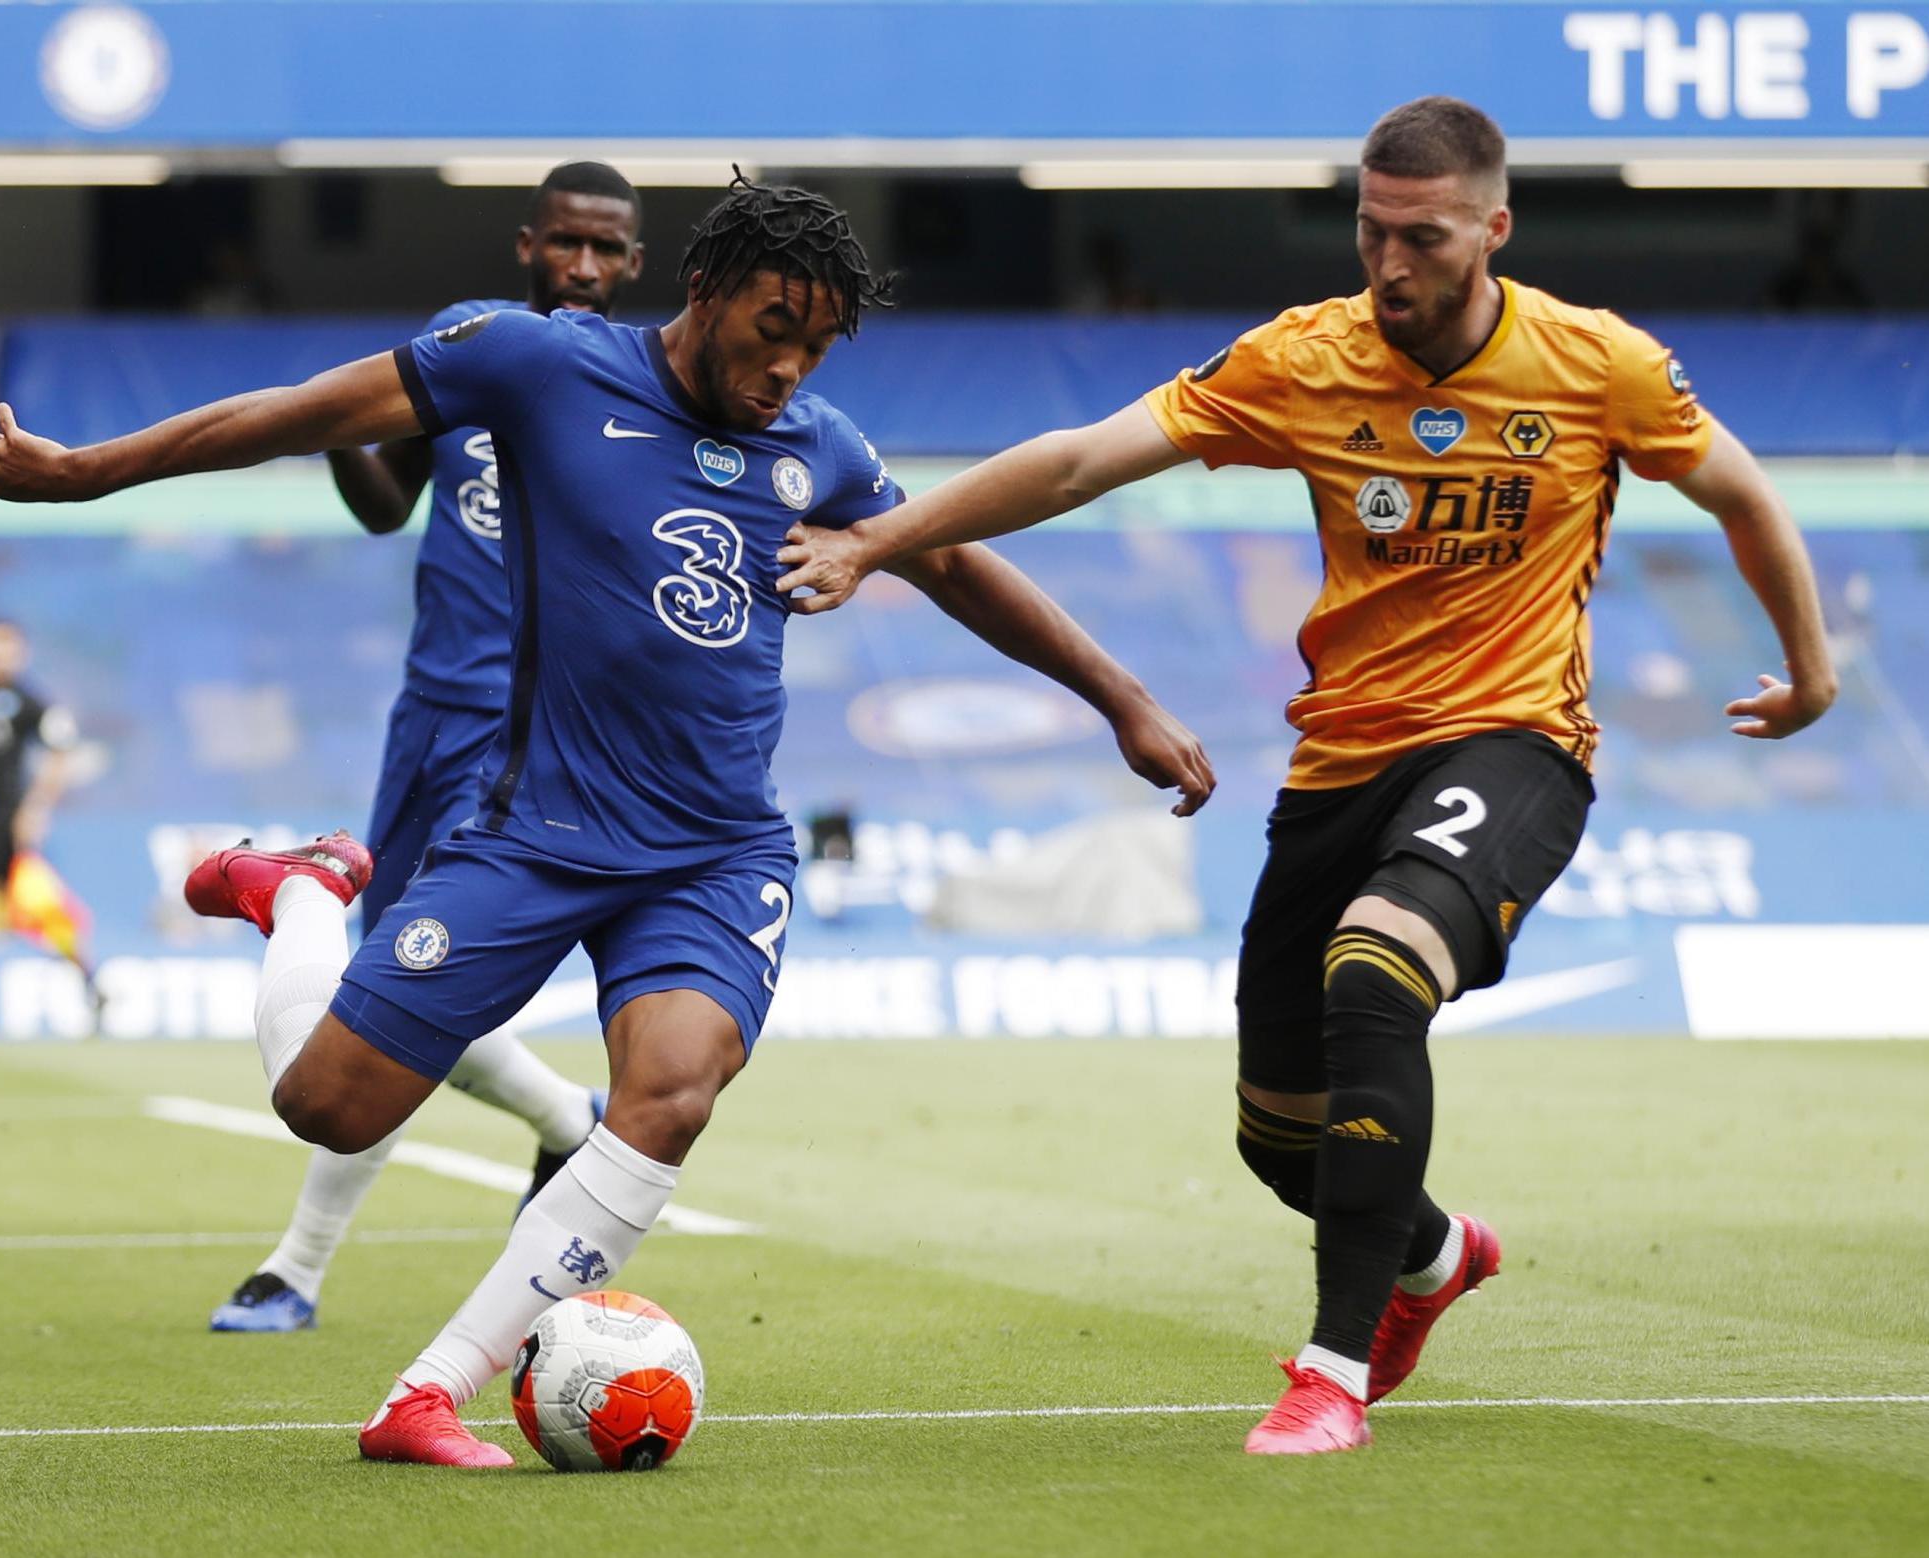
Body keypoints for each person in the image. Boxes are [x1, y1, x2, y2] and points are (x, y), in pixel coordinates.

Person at [0, 172, 1216, 1467]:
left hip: (715, 853)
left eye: (816, 342)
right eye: (770, 326)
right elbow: (300, 416)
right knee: (326, 1105)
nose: (788, 365)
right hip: (537, 832)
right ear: (708, 292)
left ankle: (426, 1395)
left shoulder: (819, 451)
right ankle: (301, 892)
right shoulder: (538, 368)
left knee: (668, 1095)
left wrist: (1120, 699)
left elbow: (951, 560)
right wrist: (83, 472)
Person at [774, 97, 1837, 1455]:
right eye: (1369, 231)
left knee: (1375, 965)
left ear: (1493, 231)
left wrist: (1808, 673)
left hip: (1515, 744)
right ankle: (1434, 1257)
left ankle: (1331, 1373)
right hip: (1342, 767)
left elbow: (1743, 493)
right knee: (1283, 1144)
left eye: (1422, 238)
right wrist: (880, 543)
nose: (1387, 266)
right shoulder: (1305, 358)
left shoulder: (1595, 364)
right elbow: (1082, 459)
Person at [206, 161, 644, 1336]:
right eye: (566, 245)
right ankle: (567, 1122)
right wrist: (332, 412)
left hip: (534, 732)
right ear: (528, 246)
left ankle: (296, 1268)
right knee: (403, 989)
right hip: (429, 718)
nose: (586, 269)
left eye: (607, 250)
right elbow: (379, 504)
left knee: (397, 990)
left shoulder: (645, 384)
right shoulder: (474, 352)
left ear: (635, 263)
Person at [0, 619, 97, 1027]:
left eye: (6, 648)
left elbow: (60, 753)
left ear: (20, 653)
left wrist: (37, 807)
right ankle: (93, 988)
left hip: (10, 821)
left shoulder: (30, 701)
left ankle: (91, 987)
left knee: (10, 908)